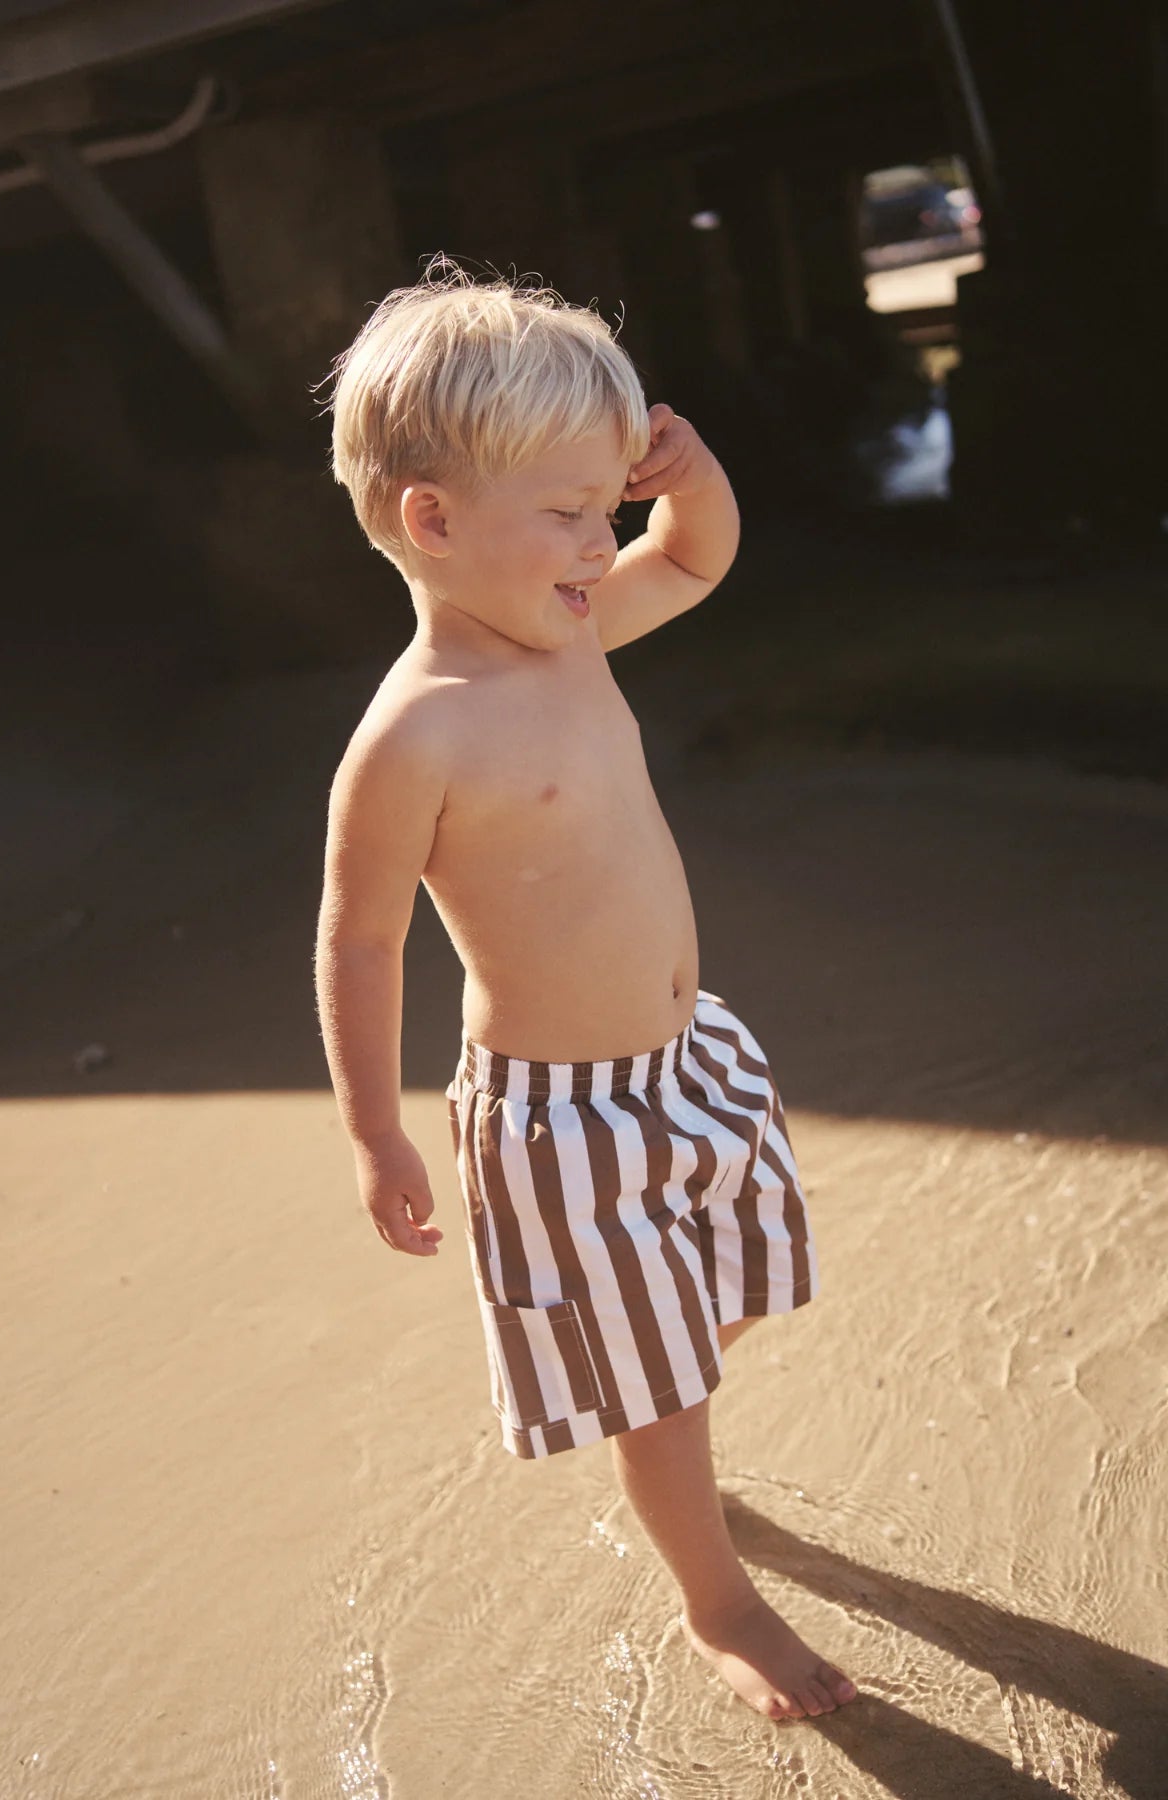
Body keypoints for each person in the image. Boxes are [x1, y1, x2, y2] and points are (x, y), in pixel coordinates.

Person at [314, 260, 857, 1721]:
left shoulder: (567, 623)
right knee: (661, 1386)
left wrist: (694, 478)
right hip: (561, 1120)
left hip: (692, 1060)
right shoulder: (416, 738)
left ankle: (648, 1388)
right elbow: (363, 940)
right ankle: (719, 1601)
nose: (599, 540)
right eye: (566, 514)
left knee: (737, 1280)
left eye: (605, 504)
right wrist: (374, 1134)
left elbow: (692, 561)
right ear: (432, 521)